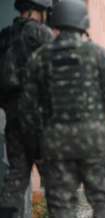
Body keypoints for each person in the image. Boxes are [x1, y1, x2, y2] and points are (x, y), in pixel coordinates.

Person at [20, 0, 105, 217]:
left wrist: (36, 149)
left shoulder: (40, 57)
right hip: (95, 143)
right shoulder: (98, 55)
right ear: (83, 22)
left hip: (56, 145)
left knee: (61, 209)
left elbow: (27, 111)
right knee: (104, 205)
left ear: (55, 21)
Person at [0, 1, 53, 217]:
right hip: (39, 120)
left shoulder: (4, 36)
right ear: (36, 11)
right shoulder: (42, 34)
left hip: (12, 119)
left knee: (16, 178)